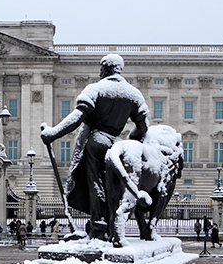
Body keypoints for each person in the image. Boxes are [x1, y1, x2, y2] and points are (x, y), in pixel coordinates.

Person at [41, 54, 148, 241]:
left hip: (96, 142)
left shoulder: (96, 89)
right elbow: (143, 128)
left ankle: (98, 226)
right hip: (116, 144)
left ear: (106, 69)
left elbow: (77, 118)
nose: (100, 73)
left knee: (96, 184)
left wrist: (53, 134)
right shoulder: (133, 94)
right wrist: (131, 140)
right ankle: (112, 227)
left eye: (101, 69)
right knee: (112, 189)